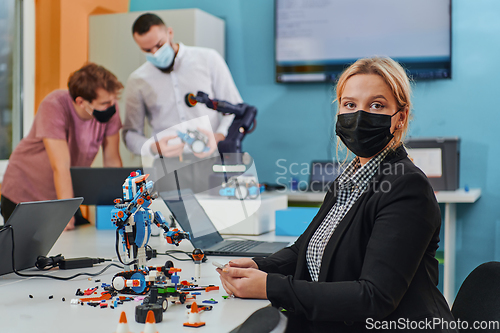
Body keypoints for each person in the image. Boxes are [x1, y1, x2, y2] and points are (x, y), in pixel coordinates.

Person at [217, 57, 457, 332]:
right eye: (350, 105)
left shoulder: (407, 187)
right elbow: (304, 250)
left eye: (376, 105)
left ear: (400, 117)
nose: (359, 115)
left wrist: (271, 287)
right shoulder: (348, 178)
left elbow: (374, 297)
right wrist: (261, 265)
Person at [123, 13, 242, 193]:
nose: (155, 53)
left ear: (170, 33)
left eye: (159, 45)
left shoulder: (208, 59)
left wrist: (218, 137)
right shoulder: (137, 80)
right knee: (168, 219)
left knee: (218, 216)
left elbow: (235, 109)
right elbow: (130, 134)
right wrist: (153, 147)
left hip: (211, 161)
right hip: (166, 167)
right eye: (147, 50)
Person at [1, 63, 123, 230]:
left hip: (62, 195)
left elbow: (112, 162)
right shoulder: (54, 105)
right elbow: (60, 166)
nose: (112, 106)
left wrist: (122, 209)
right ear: (81, 102)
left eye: (112, 100)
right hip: (25, 194)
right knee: (31, 252)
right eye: (105, 103)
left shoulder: (109, 110)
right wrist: (66, 215)